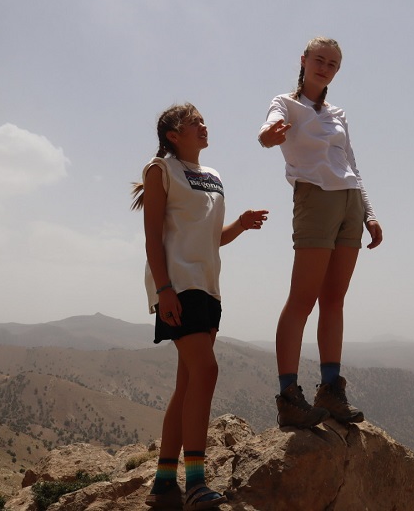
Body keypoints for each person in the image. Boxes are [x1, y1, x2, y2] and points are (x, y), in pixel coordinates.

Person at [132, 103, 268, 510]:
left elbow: (210, 238)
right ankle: (195, 483)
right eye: (195, 123)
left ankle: (162, 482)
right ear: (174, 134)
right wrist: (164, 288)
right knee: (206, 371)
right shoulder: (161, 170)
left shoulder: (214, 177)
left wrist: (239, 225)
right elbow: (152, 237)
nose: (205, 126)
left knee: (187, 384)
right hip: (178, 284)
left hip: (208, 286)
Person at [258, 36, 383, 429]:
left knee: (334, 299)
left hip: (349, 203)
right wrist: (269, 136)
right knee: (302, 299)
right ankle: (288, 397)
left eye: (332, 63)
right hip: (314, 197)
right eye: (319, 59)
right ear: (304, 60)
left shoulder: (338, 113)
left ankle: (331, 388)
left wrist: (370, 213)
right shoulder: (285, 103)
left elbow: (352, 164)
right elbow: (266, 132)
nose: (325, 67)